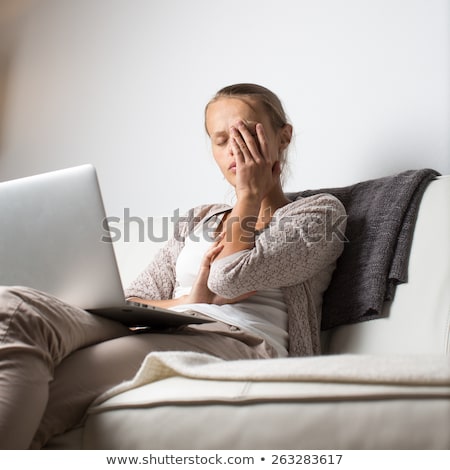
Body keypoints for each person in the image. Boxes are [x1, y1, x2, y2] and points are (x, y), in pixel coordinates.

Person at [0, 83, 346, 449]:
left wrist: (248, 195)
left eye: (247, 134)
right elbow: (132, 299)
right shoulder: (198, 218)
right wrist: (190, 301)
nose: (235, 150)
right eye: (222, 139)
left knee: (51, 393)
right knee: (14, 308)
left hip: (240, 341)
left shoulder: (319, 214)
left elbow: (228, 280)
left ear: (283, 137)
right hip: (174, 323)